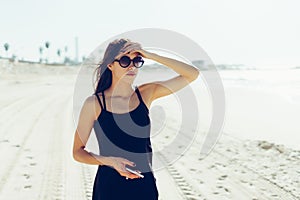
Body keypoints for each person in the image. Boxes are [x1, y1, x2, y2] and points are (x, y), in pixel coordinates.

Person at [72, 38, 199, 200]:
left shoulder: (146, 94)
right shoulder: (95, 103)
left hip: (144, 187)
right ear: (110, 65)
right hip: (109, 188)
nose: (131, 66)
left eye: (137, 60)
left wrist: (151, 55)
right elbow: (77, 152)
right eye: (125, 60)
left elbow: (192, 74)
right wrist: (110, 161)